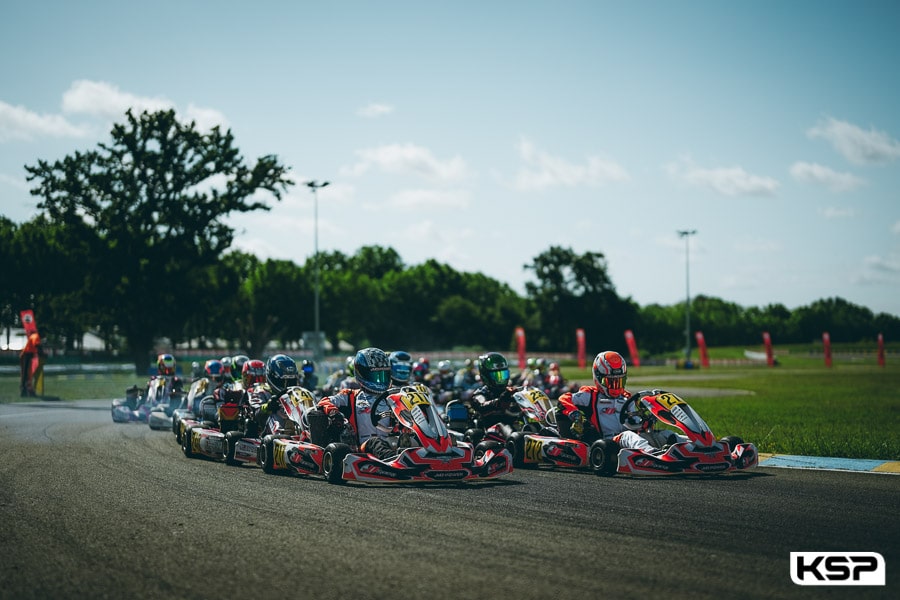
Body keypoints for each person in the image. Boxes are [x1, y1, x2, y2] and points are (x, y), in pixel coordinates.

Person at [556, 351, 669, 453]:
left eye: (619, 381)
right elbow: (564, 398)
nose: (616, 386)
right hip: (608, 442)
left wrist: (645, 422)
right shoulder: (590, 395)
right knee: (628, 436)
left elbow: (635, 423)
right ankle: (651, 454)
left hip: (631, 441)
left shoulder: (626, 397)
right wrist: (575, 415)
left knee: (663, 434)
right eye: (611, 381)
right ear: (599, 378)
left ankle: (684, 448)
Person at [315, 347, 395, 460]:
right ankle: (392, 460)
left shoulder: (392, 396)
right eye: (376, 376)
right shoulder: (350, 396)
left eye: (383, 375)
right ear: (362, 373)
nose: (380, 381)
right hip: (362, 447)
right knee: (375, 442)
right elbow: (324, 401)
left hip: (392, 443)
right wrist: (334, 412)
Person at [469, 352, 520, 439]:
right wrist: (500, 402)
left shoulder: (511, 392)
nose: (501, 379)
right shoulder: (480, 393)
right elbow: (481, 406)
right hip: (491, 430)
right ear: (486, 376)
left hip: (515, 426)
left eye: (503, 375)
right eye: (497, 376)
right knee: (506, 428)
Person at [19, 328, 43, 397]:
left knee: (28, 374)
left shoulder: (34, 336)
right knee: (26, 374)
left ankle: (27, 390)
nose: (45, 336)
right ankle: (25, 391)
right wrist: (42, 353)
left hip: (29, 355)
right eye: (44, 333)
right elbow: (37, 346)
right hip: (26, 355)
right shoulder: (36, 336)